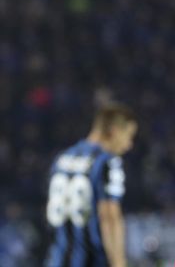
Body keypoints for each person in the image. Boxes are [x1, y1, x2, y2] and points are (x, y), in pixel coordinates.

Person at [45, 103, 138, 267]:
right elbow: (109, 217)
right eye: (128, 136)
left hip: (57, 260)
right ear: (114, 131)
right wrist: (119, 263)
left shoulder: (61, 159)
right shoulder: (107, 162)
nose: (128, 145)